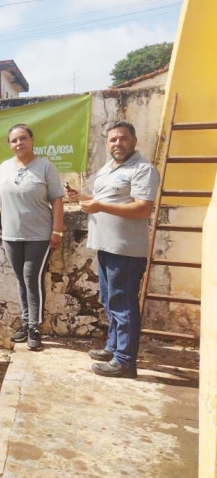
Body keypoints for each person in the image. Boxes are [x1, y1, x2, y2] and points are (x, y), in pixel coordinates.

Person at [66, 120, 160, 379]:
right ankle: (114, 347)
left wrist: (99, 207)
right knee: (110, 301)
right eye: (113, 140)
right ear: (107, 143)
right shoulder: (109, 168)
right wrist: (81, 197)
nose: (118, 143)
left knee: (124, 304)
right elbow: (104, 201)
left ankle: (125, 362)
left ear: (134, 140)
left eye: (123, 138)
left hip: (126, 249)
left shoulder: (142, 169)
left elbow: (142, 208)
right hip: (105, 245)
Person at [0, 124, 65, 351]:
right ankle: (26, 321)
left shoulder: (45, 167)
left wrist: (57, 231)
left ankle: (35, 327)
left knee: (31, 278)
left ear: (31, 140)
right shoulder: (4, 167)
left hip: (39, 235)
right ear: (10, 145)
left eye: (23, 138)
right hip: (11, 235)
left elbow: (57, 200)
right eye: (14, 140)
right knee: (21, 279)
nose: (19, 143)